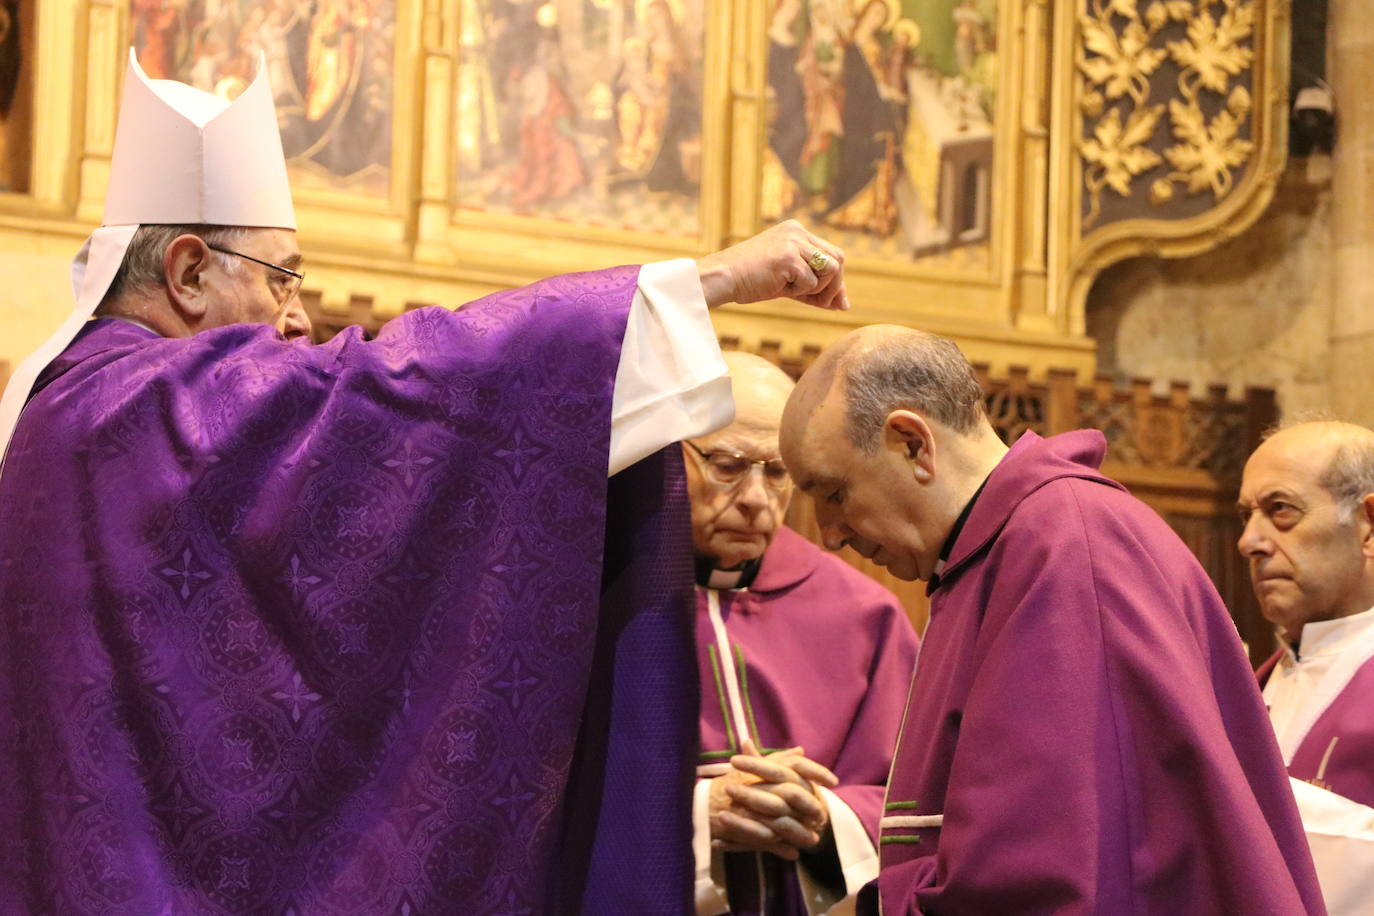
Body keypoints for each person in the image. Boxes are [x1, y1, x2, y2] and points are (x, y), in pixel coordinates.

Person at [0, 51, 851, 915]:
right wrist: (708, 282)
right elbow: (410, 392)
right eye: (281, 277)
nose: (298, 316)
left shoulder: (66, 414)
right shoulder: (161, 405)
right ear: (187, 272)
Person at [777, 325, 1325, 915]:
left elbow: (1049, 873)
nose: (828, 535)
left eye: (832, 493)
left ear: (912, 442)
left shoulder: (1064, 548)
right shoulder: (999, 551)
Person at [686, 352, 918, 915]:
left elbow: (921, 802)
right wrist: (697, 812)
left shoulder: (865, 615)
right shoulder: (598, 603)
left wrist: (821, 813)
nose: (755, 499)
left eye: (777, 472)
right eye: (727, 464)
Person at [1239, 421, 1374, 915]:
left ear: (1368, 525)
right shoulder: (1250, 683)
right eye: (1246, 516)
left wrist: (1236, 797)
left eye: (1280, 511)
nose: (1249, 541)